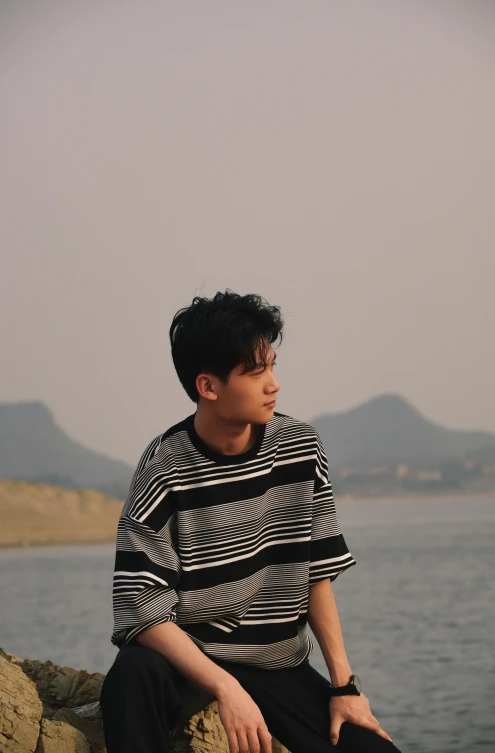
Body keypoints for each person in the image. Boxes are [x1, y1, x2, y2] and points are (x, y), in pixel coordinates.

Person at [100, 290, 402, 753]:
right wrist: (225, 688)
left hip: (278, 664)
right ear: (209, 386)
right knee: (132, 674)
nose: (274, 384)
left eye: (273, 366)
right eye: (256, 371)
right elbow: (142, 607)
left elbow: (316, 573)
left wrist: (344, 686)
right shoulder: (164, 468)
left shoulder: (300, 447)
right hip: (190, 661)